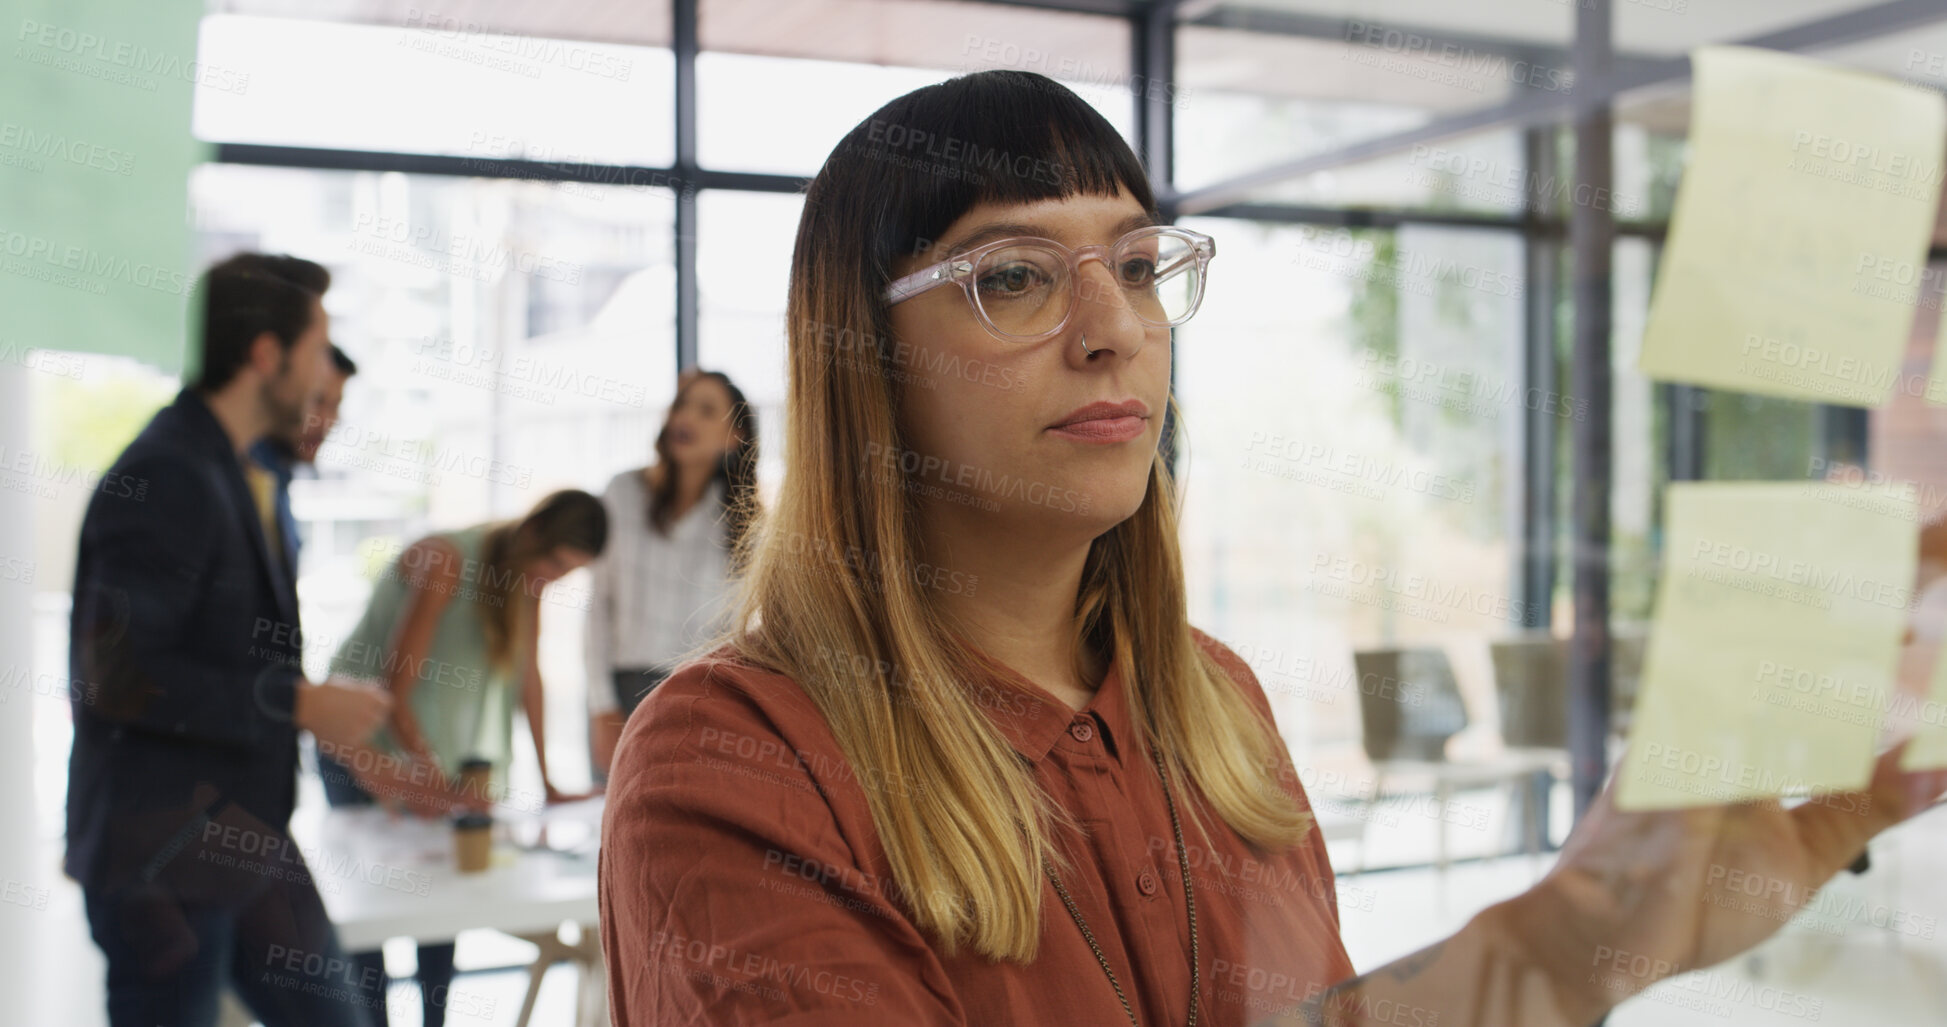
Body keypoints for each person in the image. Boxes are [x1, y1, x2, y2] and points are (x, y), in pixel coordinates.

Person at [596, 71, 1947, 1026]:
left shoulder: (1214, 703)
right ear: (862, 362)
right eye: (1011, 273)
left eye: (1134, 265)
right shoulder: (733, 766)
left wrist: (1586, 938)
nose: (1109, 324)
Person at [67, 253, 392, 1027]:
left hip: (241, 836)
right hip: (162, 856)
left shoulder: (237, 468)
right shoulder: (168, 472)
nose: (324, 382)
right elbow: (119, 675)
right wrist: (298, 702)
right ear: (265, 354)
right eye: (317, 350)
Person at [316, 488, 608, 1027]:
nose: (552, 580)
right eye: (554, 563)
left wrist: (549, 781)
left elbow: (529, 679)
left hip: (436, 757)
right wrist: (424, 780)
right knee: (371, 915)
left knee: (441, 907)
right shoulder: (447, 558)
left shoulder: (528, 580)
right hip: (359, 747)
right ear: (533, 530)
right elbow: (393, 691)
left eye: (568, 575)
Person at [584, 368, 759, 780]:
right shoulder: (621, 492)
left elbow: (738, 634)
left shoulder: (744, 523)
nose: (687, 418)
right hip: (619, 691)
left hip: (699, 698)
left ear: (734, 436)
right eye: (682, 405)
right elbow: (597, 606)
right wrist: (600, 704)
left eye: (706, 410)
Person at [246, 342, 358, 580]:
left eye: (335, 405)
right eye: (317, 400)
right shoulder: (244, 476)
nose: (325, 422)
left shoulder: (277, 482)